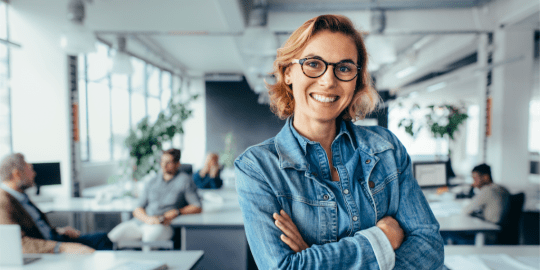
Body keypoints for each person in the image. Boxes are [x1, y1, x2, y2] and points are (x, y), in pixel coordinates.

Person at [234, 15, 444, 269]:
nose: (328, 80)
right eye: (313, 64)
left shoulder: (386, 149)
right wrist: (381, 239)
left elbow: (430, 249)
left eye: (344, 68)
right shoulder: (258, 167)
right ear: (288, 72)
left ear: (356, 80)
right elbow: (283, 267)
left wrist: (311, 255)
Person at [0, 153, 112, 254]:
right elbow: (18, 244)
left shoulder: (20, 196)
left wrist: (59, 230)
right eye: (30, 169)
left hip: (54, 240)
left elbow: (35, 227)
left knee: (101, 238)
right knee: (100, 241)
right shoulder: (3, 202)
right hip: (48, 248)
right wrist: (62, 247)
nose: (34, 174)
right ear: (17, 174)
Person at [107, 148, 202, 248]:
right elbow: (137, 208)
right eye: (162, 161)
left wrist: (177, 212)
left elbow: (197, 206)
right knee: (112, 237)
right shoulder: (152, 181)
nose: (164, 165)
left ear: (177, 164)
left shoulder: (185, 180)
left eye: (168, 162)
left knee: (149, 240)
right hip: (142, 221)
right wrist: (148, 219)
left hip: (163, 225)